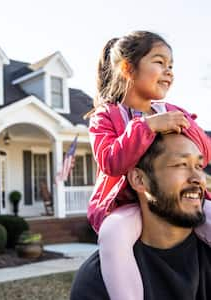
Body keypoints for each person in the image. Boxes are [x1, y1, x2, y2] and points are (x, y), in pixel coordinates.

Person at [86, 31, 211, 300]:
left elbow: (205, 154)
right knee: (112, 234)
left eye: (171, 65)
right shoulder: (105, 117)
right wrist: (147, 127)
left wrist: (187, 125)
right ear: (127, 68)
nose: (168, 71)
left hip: (175, 199)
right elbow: (110, 161)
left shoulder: (172, 110)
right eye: (159, 62)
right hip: (127, 204)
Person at [71, 133, 211, 300]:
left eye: (199, 166)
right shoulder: (98, 282)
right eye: (181, 164)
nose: (198, 179)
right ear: (139, 179)